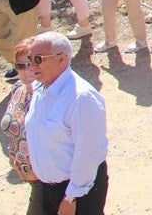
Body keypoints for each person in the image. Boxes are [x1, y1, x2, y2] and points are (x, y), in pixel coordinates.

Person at [25, 31, 109, 215]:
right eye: (30, 58)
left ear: (61, 59)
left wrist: (71, 197)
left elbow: (88, 154)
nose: (31, 65)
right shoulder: (40, 89)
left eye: (38, 59)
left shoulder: (82, 98)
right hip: (47, 188)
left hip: (79, 192)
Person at [0, 38, 38, 195]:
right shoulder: (17, 89)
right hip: (28, 174)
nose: (26, 70)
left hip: (49, 177)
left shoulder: (50, 94)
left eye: (31, 64)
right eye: (20, 66)